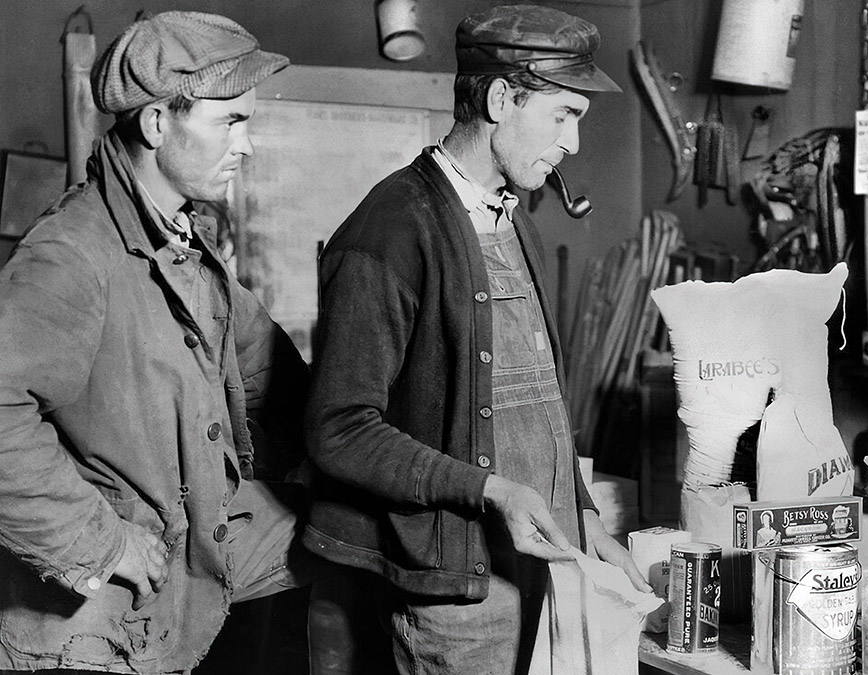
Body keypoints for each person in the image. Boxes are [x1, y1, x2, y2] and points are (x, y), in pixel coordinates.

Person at [304, 5, 649, 673]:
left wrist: (583, 516)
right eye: (564, 115)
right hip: (457, 594)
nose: (575, 143)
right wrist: (492, 491)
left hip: (538, 569)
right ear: (498, 99)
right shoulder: (389, 231)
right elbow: (338, 429)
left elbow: (535, 403)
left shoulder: (512, 221)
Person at [0, 12, 324, 673]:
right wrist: (101, 542)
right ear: (156, 124)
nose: (246, 145)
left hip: (184, 552)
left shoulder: (182, 243)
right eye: (230, 122)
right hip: (87, 627)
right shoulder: (73, 253)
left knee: (359, 534)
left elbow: (271, 374)